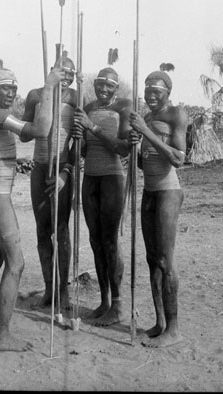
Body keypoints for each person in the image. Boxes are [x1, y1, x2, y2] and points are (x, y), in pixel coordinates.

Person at [0, 59, 65, 352]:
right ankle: (2, 335)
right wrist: (48, 87)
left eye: (14, 88)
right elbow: (40, 130)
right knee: (16, 264)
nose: (11, 93)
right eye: (5, 88)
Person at [128, 70, 188, 348]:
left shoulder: (177, 114)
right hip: (149, 191)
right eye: (147, 91)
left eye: (157, 92)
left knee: (165, 260)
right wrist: (135, 148)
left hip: (168, 191)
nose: (151, 96)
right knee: (152, 260)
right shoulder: (147, 117)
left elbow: (177, 158)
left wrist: (146, 132)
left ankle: (174, 330)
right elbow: (146, 160)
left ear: (168, 92)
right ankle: (160, 323)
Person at [73, 66, 132, 326]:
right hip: (90, 178)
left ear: (116, 88)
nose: (104, 88)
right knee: (95, 240)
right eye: (100, 84)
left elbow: (123, 148)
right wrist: (79, 138)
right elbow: (85, 150)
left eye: (109, 85)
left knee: (110, 241)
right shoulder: (87, 108)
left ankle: (118, 305)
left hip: (111, 178)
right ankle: (105, 301)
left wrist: (93, 128)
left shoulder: (124, 108)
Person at [20, 55, 79, 311]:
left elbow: (81, 141)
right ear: (52, 71)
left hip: (62, 170)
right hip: (40, 167)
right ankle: (49, 289)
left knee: (62, 230)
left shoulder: (77, 99)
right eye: (61, 72)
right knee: (42, 230)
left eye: (71, 74)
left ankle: (63, 292)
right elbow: (25, 135)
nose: (65, 78)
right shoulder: (35, 95)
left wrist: (66, 173)